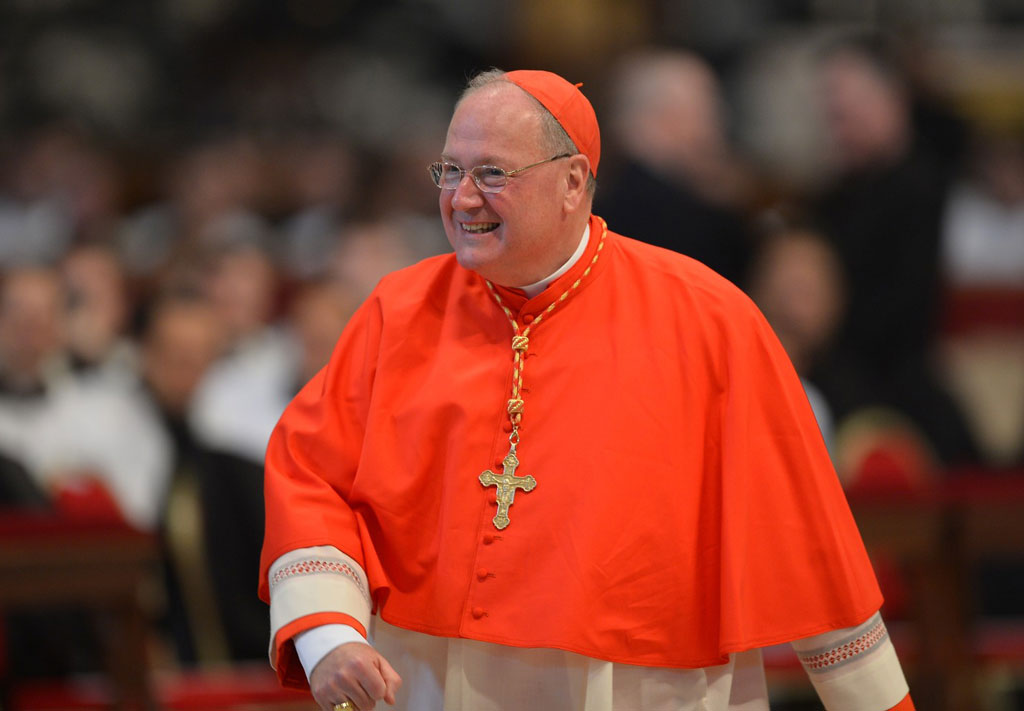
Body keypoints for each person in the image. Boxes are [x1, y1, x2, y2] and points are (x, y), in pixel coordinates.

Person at [260, 69, 915, 711]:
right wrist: (331, 635)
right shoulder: (397, 311)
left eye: (491, 173)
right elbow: (310, 474)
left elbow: (806, 535)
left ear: (572, 181)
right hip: (431, 679)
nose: (462, 198)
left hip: (641, 688)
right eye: (449, 171)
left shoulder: (710, 320)